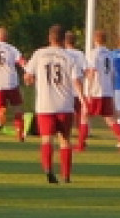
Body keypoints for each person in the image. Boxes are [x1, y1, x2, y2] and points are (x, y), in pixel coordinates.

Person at [23, 24, 86, 184]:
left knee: (46, 139)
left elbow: (27, 77)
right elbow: (76, 81)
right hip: (64, 105)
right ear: (63, 39)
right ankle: (66, 175)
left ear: (49, 38)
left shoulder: (39, 54)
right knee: (65, 140)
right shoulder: (69, 57)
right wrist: (83, 99)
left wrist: (31, 80)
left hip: (45, 105)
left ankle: (48, 168)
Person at [81, 30, 120, 152]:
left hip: (96, 91)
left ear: (95, 40)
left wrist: (89, 90)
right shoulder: (110, 54)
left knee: (84, 115)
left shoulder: (94, 53)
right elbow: (112, 73)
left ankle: (81, 145)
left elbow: (92, 71)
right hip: (107, 90)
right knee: (109, 118)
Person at [63, 31, 88, 148]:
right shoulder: (80, 54)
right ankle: (81, 142)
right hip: (78, 91)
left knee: (66, 118)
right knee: (81, 118)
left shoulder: (62, 53)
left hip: (65, 91)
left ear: (65, 41)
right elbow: (86, 70)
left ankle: (66, 141)